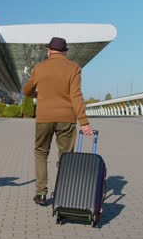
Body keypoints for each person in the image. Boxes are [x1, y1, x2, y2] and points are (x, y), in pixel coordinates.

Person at [23, 37, 93, 205]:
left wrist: (39, 95)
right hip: (66, 118)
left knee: (41, 152)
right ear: (65, 52)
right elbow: (76, 95)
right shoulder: (74, 68)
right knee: (66, 156)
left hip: (44, 118)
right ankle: (63, 192)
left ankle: (41, 193)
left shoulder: (40, 68)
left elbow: (27, 90)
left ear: (49, 51)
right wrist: (84, 122)